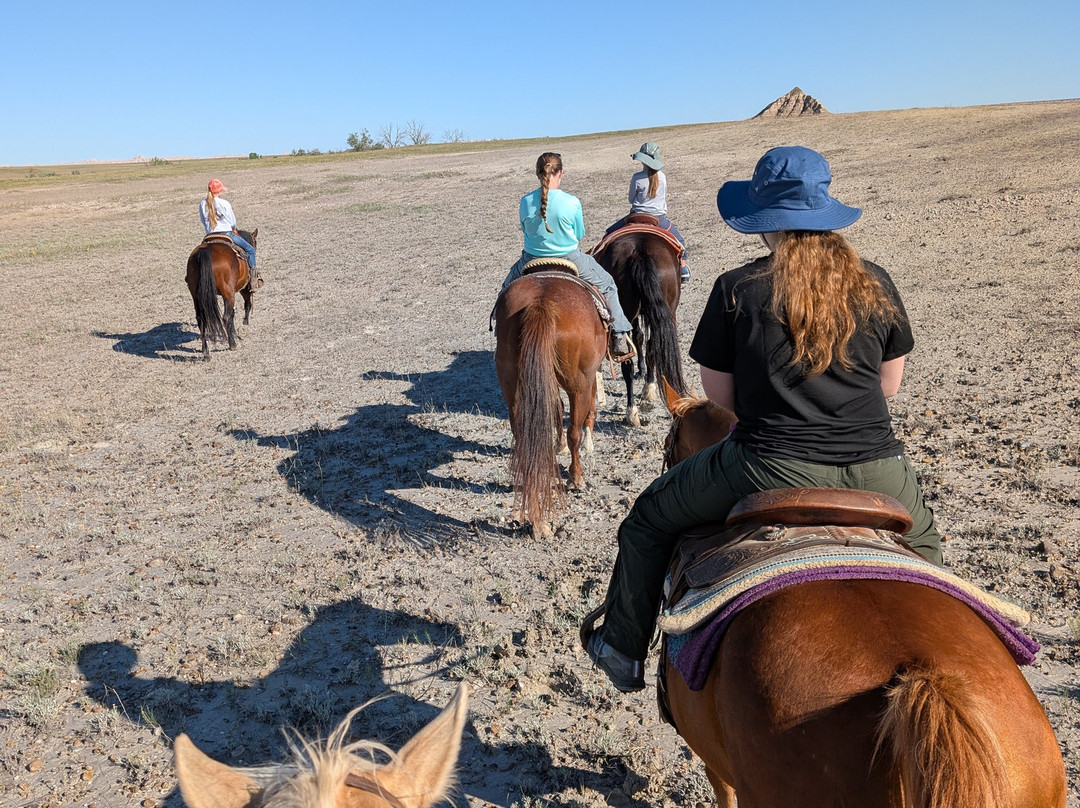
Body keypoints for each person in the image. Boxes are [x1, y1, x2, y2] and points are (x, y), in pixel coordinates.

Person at [585, 145, 943, 692]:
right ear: (825, 213)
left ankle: (624, 649)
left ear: (763, 222)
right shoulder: (876, 282)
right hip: (881, 470)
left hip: (767, 465)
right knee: (932, 562)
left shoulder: (737, 288)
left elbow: (721, 400)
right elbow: (887, 386)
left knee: (648, 518)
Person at [501, 152, 635, 360]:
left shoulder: (526, 201)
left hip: (531, 258)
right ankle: (619, 333)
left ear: (537, 174)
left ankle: (501, 334)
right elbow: (580, 234)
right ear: (560, 173)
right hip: (570, 258)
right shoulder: (572, 202)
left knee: (506, 292)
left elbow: (524, 229)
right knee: (608, 284)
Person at [605, 142, 691, 283]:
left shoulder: (637, 177)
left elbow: (631, 199)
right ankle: (683, 269)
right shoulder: (662, 177)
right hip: (658, 218)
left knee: (609, 234)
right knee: (679, 242)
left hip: (636, 216)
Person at [199, 178, 259, 287]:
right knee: (250, 250)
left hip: (210, 236)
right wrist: (233, 227)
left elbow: (203, 220)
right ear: (219, 191)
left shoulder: (202, 204)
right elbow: (232, 222)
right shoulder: (224, 203)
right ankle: (253, 277)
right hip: (226, 234)